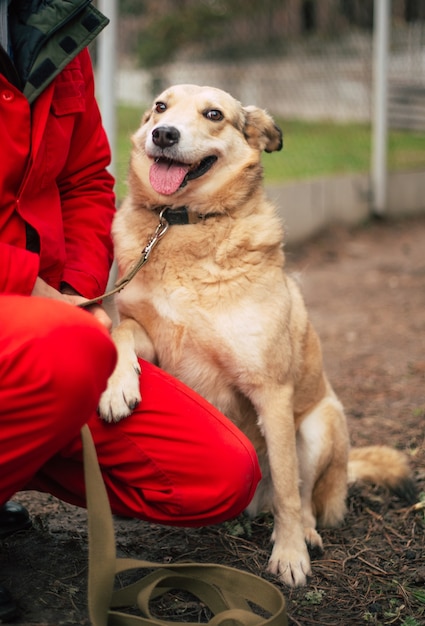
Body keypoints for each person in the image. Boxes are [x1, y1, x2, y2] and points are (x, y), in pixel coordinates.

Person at [0, 0, 261, 621]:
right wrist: (39, 295)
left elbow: (88, 177)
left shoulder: (52, 22)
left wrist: (84, 294)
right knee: (68, 347)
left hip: (47, 326)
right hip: (32, 314)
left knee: (220, 474)